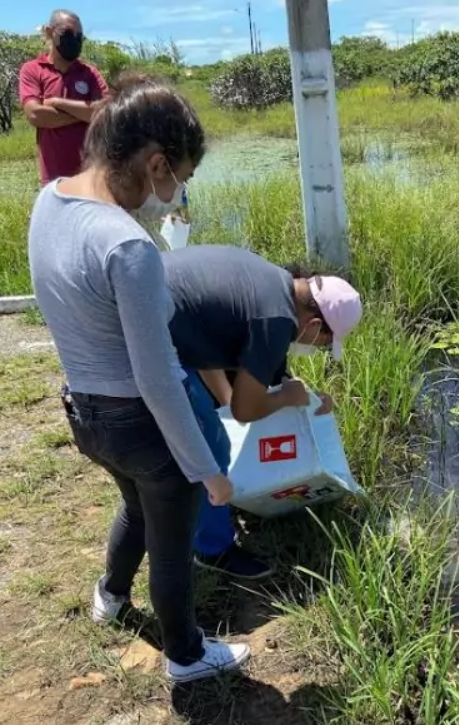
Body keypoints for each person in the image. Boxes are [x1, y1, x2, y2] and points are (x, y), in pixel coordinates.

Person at [27, 74, 251, 684]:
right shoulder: (128, 246)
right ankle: (186, 654)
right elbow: (158, 379)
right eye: (179, 177)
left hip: (83, 413)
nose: (174, 195)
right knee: (172, 540)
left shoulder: (50, 200)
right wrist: (208, 470)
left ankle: (111, 595)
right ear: (156, 163)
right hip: (138, 421)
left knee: (134, 506)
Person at [162, 246, 363, 578]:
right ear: (314, 325)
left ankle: (206, 511)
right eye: (323, 344)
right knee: (211, 446)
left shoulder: (276, 285)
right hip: (148, 336)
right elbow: (245, 409)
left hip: (163, 318)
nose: (317, 349)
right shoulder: (277, 320)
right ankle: (212, 549)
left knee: (210, 422)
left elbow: (219, 353)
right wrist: (283, 398)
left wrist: (305, 398)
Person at [19, 9, 108, 186]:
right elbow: (36, 115)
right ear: (50, 33)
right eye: (67, 33)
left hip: (91, 177)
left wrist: (58, 103)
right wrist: (85, 115)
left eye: (79, 36)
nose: (74, 40)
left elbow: (105, 113)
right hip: (54, 180)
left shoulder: (89, 73)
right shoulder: (33, 70)